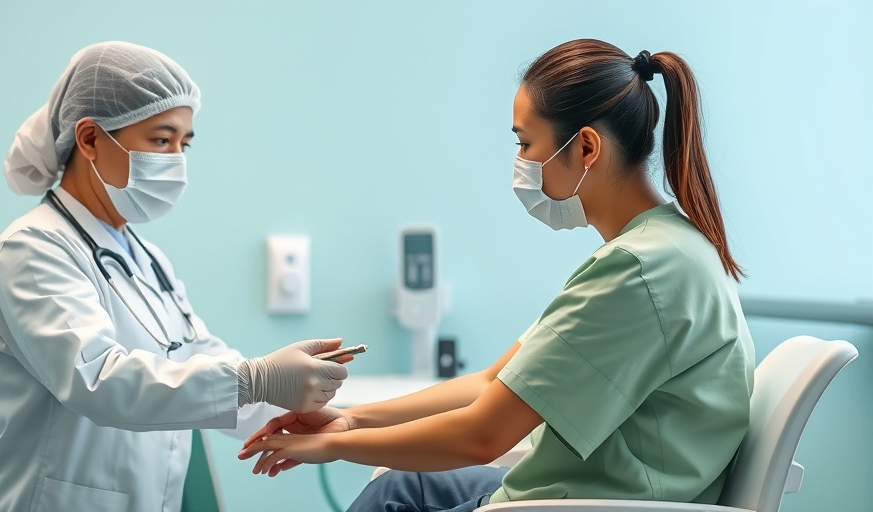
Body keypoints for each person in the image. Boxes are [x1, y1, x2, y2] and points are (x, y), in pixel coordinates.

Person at [239, 38, 756, 511]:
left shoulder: (638, 272)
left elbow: (482, 436)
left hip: (590, 501)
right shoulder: (664, 247)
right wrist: (352, 420)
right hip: (588, 487)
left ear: (586, 148)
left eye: (526, 144)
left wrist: (331, 445)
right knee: (400, 487)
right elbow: (492, 383)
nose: (521, 163)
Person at [0, 41, 350, 511]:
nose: (177, 159)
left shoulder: (144, 256)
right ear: (90, 139)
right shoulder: (32, 249)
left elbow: (194, 352)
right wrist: (255, 379)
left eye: (183, 143)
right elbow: (99, 379)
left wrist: (287, 408)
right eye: (160, 139)